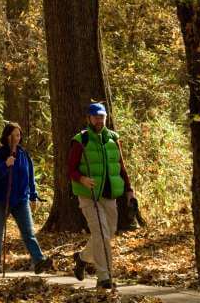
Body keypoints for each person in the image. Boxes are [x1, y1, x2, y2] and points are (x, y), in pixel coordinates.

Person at [68, 103, 134, 289]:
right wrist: (82, 179)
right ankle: (104, 277)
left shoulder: (113, 139)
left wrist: (129, 189)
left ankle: (81, 258)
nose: (99, 120)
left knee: (108, 233)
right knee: (101, 234)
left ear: (105, 118)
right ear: (88, 118)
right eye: (95, 117)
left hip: (109, 195)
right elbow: (70, 169)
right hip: (89, 195)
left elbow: (121, 166)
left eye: (102, 116)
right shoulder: (81, 140)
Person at [0, 122, 53, 274]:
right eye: (15, 134)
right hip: (0, 199)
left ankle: (39, 261)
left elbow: (30, 178)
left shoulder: (24, 155)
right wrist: (5, 165)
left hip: (20, 200)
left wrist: (33, 196)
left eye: (19, 134)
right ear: (7, 136)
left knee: (28, 232)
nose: (18, 137)